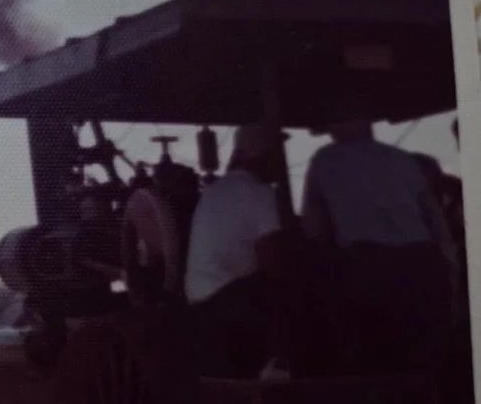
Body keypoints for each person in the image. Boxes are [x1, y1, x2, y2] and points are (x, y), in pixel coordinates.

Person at [301, 111, 459, 373]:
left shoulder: (325, 161)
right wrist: (449, 271)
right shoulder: (401, 159)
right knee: (429, 363)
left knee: (377, 363)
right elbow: (434, 220)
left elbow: (314, 229)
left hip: (369, 269)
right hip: (422, 266)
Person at [182, 125, 290, 379]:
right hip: (231, 307)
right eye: (278, 152)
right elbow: (273, 260)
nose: (281, 161)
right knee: (288, 288)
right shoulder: (258, 192)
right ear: (261, 155)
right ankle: (282, 368)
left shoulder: (213, 192)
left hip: (200, 306)